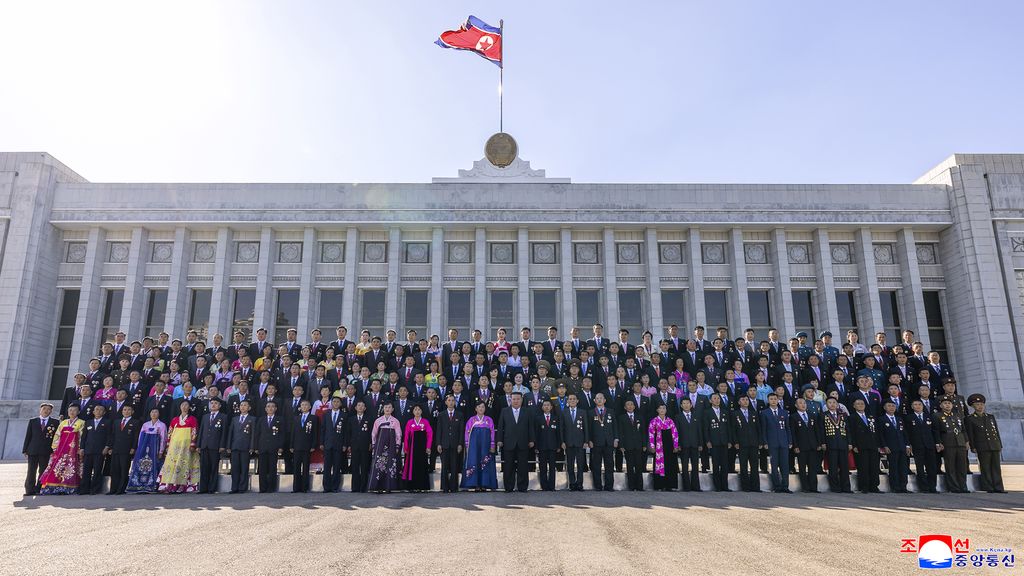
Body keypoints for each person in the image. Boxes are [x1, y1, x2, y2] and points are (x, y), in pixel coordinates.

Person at [38, 404, 85, 495]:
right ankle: (54, 488)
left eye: (74, 410)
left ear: (78, 412)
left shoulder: (82, 423)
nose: (72, 412)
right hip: (61, 450)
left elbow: (82, 437)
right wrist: (55, 447)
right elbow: (57, 435)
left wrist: (79, 448)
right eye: (70, 410)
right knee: (57, 468)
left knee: (71, 468)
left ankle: (69, 488)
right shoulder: (63, 422)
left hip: (73, 451)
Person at [965, 394, 1005, 493]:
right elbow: (971, 434)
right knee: (985, 467)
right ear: (973, 406)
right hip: (982, 446)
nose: (980, 406)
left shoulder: (990, 417)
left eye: (981, 404)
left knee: (996, 467)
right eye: (977, 404)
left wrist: (999, 444)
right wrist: (973, 446)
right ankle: (988, 486)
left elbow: (995, 431)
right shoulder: (970, 419)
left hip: (994, 444)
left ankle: (998, 487)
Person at [158, 400, 200, 493]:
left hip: (186, 446)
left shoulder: (193, 419)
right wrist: (168, 444)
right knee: (172, 465)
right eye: (182, 405)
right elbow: (170, 432)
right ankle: (169, 485)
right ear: (180, 407)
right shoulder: (175, 420)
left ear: (189, 407)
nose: (184, 407)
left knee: (185, 464)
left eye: (186, 405)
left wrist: (193, 443)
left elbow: (194, 432)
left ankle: (183, 485)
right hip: (174, 446)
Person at [496, 392, 533, 492]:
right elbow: (500, 427)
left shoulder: (527, 411)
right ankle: (508, 487)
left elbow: (531, 427)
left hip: (523, 442)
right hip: (508, 442)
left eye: (518, 399)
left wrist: (531, 440)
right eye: (514, 399)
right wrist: (499, 440)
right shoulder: (504, 411)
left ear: (521, 400)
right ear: (510, 400)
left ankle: (522, 487)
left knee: (523, 466)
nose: (516, 401)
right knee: (508, 466)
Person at [23, 402, 59, 496]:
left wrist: (54, 450)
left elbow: (56, 437)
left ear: (51, 411)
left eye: (48, 409)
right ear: (40, 410)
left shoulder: (55, 422)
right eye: (44, 409)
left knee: (43, 470)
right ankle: (29, 489)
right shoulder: (33, 421)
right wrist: (25, 450)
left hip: (46, 450)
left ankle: (39, 488)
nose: (46, 411)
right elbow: (28, 436)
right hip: (32, 450)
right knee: (31, 470)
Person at [126, 408, 167, 493]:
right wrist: (139, 449)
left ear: (159, 414)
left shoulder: (162, 425)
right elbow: (140, 438)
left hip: (155, 450)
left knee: (154, 467)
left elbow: (163, 439)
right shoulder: (145, 425)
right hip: (143, 450)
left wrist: (160, 451)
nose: (154, 414)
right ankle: (138, 485)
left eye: (156, 412)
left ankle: (152, 486)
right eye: (152, 412)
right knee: (141, 466)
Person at [934, 397, 969, 493]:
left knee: (962, 466)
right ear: (941, 405)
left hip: (960, 442)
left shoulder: (957, 415)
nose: (947, 405)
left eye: (949, 403)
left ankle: (963, 486)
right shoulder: (937, 416)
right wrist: (939, 442)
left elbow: (963, 429)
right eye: (945, 403)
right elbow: (936, 431)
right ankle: (954, 487)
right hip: (948, 442)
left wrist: (966, 441)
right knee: (951, 466)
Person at [461, 402, 497, 492]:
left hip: (486, 445)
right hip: (473, 446)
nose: (481, 408)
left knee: (485, 462)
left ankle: (485, 484)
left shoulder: (489, 420)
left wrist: (492, 444)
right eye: (479, 407)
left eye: (483, 407)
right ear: (476, 409)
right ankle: (475, 484)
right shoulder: (471, 420)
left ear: (485, 409)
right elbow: (467, 433)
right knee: (474, 462)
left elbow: (492, 433)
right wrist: (467, 444)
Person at [760, 393, 792, 493]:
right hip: (772, 442)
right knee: (774, 465)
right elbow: (763, 429)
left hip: (784, 442)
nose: (773, 400)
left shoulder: (784, 412)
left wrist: (790, 441)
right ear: (768, 400)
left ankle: (785, 486)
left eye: (775, 399)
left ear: (778, 400)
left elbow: (788, 428)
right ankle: (777, 486)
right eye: (771, 399)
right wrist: (765, 442)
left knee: (785, 465)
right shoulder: (764, 413)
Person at [905, 399, 939, 493]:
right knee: (920, 467)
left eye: (919, 404)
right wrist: (908, 444)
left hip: (929, 445)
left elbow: (935, 431)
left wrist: (937, 443)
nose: (918, 406)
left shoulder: (929, 417)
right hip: (917, 445)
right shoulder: (909, 418)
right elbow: (907, 433)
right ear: (912, 407)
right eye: (915, 404)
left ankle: (932, 486)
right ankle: (923, 487)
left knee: (931, 467)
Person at [819, 397, 852, 493]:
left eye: (834, 402)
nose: (832, 404)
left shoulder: (843, 415)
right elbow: (821, 430)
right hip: (830, 444)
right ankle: (835, 487)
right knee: (833, 467)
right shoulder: (823, 415)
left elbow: (848, 430)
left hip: (843, 443)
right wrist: (823, 442)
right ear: (826, 405)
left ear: (837, 404)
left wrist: (849, 442)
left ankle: (846, 487)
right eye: (830, 402)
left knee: (844, 467)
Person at [790, 397, 823, 493]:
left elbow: (817, 430)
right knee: (802, 468)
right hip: (801, 446)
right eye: (800, 403)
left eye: (804, 403)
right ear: (796, 405)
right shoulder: (793, 417)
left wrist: (818, 443)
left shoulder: (812, 415)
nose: (803, 404)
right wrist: (795, 446)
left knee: (813, 467)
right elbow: (793, 433)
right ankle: (805, 487)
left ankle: (814, 487)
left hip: (812, 445)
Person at [848, 398, 881, 493]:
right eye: (858, 403)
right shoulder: (852, 417)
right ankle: (864, 486)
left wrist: (878, 444)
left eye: (862, 403)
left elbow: (877, 431)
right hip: (860, 445)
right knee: (863, 466)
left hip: (873, 444)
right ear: (854, 406)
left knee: (874, 466)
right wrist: (854, 445)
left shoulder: (871, 416)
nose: (860, 405)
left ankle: (874, 486)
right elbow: (851, 432)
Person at [197, 397, 229, 494]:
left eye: (216, 403)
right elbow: (201, 431)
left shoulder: (223, 417)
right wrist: (199, 445)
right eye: (212, 403)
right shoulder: (205, 416)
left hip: (215, 446)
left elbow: (224, 432)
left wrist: (222, 445)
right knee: (204, 467)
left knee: (213, 467)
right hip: (204, 445)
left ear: (219, 406)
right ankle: (203, 488)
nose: (213, 405)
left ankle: (212, 488)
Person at [878, 400, 911, 493]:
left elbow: (904, 433)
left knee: (903, 467)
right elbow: (881, 434)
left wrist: (907, 445)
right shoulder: (882, 419)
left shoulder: (899, 419)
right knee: (893, 468)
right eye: (889, 405)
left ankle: (903, 486)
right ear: (884, 408)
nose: (891, 407)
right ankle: (895, 487)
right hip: (891, 447)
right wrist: (884, 445)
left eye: (893, 406)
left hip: (902, 446)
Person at [79, 404, 113, 495]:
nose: (98, 411)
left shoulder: (107, 422)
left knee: (97, 470)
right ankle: (84, 489)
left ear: (104, 412)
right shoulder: (88, 422)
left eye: (100, 410)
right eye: (96, 409)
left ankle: (95, 489)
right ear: (93, 412)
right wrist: (82, 448)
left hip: (100, 450)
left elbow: (110, 436)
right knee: (86, 470)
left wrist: (107, 447)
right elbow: (84, 437)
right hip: (88, 450)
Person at [368, 403, 401, 493]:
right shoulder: (378, 420)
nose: (387, 409)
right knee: (379, 464)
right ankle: (377, 486)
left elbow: (398, 435)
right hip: (380, 445)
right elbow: (374, 434)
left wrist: (397, 445)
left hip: (391, 445)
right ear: (383, 409)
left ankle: (388, 487)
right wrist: (374, 444)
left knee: (390, 464)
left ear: (392, 409)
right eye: (385, 407)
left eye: (389, 407)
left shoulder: (395, 421)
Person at [731, 396, 762, 492]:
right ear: (739, 402)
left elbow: (758, 429)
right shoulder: (735, 414)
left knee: (754, 465)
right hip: (742, 443)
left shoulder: (754, 413)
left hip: (753, 443)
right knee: (743, 466)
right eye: (743, 400)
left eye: (747, 400)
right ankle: (745, 487)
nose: (745, 401)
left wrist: (760, 441)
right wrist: (735, 442)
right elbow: (733, 429)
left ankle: (756, 487)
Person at [108, 404, 140, 495]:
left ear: (132, 412)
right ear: (122, 411)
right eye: (125, 410)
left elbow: (136, 437)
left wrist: (133, 448)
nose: (126, 411)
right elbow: (112, 435)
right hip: (116, 449)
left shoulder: (135, 422)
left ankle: (121, 489)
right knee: (114, 470)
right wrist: (110, 447)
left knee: (124, 470)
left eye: (129, 410)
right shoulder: (116, 422)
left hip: (126, 449)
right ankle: (112, 489)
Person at [255, 401, 285, 493]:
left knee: (272, 468)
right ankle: (262, 488)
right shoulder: (261, 419)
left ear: (276, 408)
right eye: (268, 406)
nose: (270, 408)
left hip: (274, 446)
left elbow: (282, 434)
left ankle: (271, 488)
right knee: (262, 468)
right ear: (265, 409)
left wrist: (280, 446)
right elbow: (257, 434)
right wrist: (256, 447)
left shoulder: (279, 419)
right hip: (262, 446)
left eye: (272, 406)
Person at [589, 393, 617, 491]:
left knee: (609, 465)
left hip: (608, 442)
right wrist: (589, 440)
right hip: (596, 442)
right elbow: (589, 429)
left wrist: (616, 439)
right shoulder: (591, 412)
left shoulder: (610, 411)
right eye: (597, 398)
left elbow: (615, 427)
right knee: (596, 465)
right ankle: (598, 486)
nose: (599, 400)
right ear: (594, 401)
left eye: (601, 398)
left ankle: (609, 486)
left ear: (605, 400)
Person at [436, 394, 464, 493]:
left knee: (454, 466)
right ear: (446, 402)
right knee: (444, 467)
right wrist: (438, 443)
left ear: (455, 402)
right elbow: (439, 430)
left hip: (455, 444)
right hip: (444, 444)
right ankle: (444, 487)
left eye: (453, 400)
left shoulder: (459, 414)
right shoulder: (441, 414)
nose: (451, 402)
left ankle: (453, 487)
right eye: (449, 400)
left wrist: (460, 444)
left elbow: (461, 431)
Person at [227, 400, 256, 493]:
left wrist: (252, 447)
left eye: (245, 405)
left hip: (245, 447)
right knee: (234, 468)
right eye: (241, 405)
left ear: (249, 408)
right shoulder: (235, 419)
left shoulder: (252, 419)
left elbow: (253, 434)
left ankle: (242, 487)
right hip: (235, 446)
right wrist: (228, 446)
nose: (243, 407)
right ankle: (234, 487)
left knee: (244, 468)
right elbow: (230, 433)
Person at [402, 404, 434, 492]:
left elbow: (430, 434)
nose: (417, 411)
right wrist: (406, 448)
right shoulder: (409, 422)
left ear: (421, 411)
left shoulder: (425, 422)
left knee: (422, 465)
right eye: (415, 409)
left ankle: (422, 487)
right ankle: (412, 487)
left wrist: (428, 447)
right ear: (413, 412)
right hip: (412, 448)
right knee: (412, 466)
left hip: (422, 447)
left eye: (419, 409)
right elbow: (406, 436)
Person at [648, 404, 679, 491]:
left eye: (664, 408)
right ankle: (659, 485)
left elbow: (675, 434)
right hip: (659, 446)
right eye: (660, 408)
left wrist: (676, 445)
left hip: (670, 446)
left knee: (670, 465)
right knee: (659, 465)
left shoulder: (670, 421)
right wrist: (652, 446)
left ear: (666, 410)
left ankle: (670, 485)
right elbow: (651, 434)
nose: (662, 410)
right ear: (657, 410)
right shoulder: (653, 421)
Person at [561, 394, 589, 491]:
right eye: (570, 399)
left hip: (580, 442)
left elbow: (586, 427)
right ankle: (572, 483)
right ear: (567, 401)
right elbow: (562, 429)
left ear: (577, 401)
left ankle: (580, 484)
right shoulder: (564, 412)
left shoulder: (582, 412)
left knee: (581, 464)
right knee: (570, 464)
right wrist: (562, 441)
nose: (572, 400)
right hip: (568, 442)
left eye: (574, 399)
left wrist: (586, 441)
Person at [618, 399, 648, 491]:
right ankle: (631, 486)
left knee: (639, 466)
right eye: (628, 404)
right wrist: (621, 445)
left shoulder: (640, 417)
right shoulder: (621, 418)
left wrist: (644, 444)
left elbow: (643, 432)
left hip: (638, 445)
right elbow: (620, 432)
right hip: (628, 445)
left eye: (632, 404)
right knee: (630, 466)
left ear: (634, 407)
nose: (630, 406)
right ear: (625, 407)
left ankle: (639, 486)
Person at [704, 393, 731, 492]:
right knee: (715, 465)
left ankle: (725, 486)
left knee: (725, 465)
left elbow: (728, 428)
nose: (717, 400)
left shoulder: (725, 412)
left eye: (718, 398)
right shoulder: (707, 412)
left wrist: (729, 440)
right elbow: (705, 428)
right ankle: (717, 486)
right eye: (714, 398)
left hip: (724, 441)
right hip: (714, 442)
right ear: (710, 401)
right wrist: (707, 441)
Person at [289, 399, 318, 493]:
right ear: (300, 407)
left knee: (306, 467)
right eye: (302, 405)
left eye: (306, 405)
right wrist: (291, 445)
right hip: (297, 446)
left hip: (307, 446)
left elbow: (315, 433)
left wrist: (313, 445)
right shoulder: (296, 418)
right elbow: (292, 433)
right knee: (296, 467)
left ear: (310, 407)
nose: (304, 406)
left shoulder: (313, 418)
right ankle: (296, 488)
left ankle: (304, 487)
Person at [320, 396, 347, 493]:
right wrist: (321, 442)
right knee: (327, 466)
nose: (335, 403)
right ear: (331, 403)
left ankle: (335, 487)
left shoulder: (344, 415)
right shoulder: (326, 414)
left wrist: (345, 444)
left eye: (337, 402)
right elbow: (323, 429)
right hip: (327, 443)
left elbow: (346, 432)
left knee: (337, 466)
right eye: (334, 401)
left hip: (339, 444)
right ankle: (326, 487)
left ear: (340, 404)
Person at [534, 399, 561, 491]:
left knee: (552, 467)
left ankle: (552, 486)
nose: (546, 407)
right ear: (542, 407)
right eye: (544, 405)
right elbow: (536, 434)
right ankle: (544, 486)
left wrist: (558, 446)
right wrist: (536, 447)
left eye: (548, 405)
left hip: (553, 447)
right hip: (542, 447)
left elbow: (558, 433)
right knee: (543, 467)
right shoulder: (538, 418)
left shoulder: (555, 418)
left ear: (551, 407)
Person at [348, 401, 373, 493]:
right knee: (354, 467)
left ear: (365, 408)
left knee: (364, 466)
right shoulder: (351, 419)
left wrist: (371, 443)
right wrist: (348, 445)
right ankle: (355, 487)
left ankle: (363, 487)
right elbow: (348, 433)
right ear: (355, 408)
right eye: (358, 405)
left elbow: (372, 433)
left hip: (365, 445)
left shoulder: (369, 419)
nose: (360, 407)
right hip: (354, 445)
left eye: (362, 405)